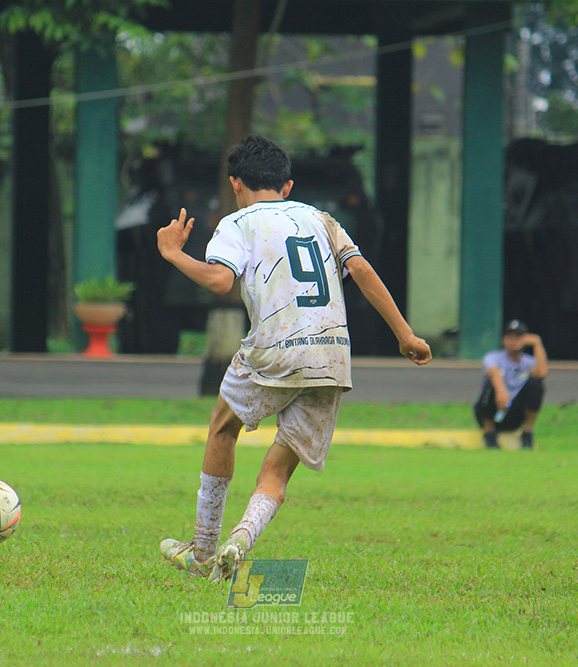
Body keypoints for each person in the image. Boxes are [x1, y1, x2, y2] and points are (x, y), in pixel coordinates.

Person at [155, 134, 432, 582]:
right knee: (279, 469)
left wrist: (172, 252)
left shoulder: (237, 222)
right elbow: (359, 270)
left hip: (273, 348)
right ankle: (243, 537)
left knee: (222, 427)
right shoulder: (321, 218)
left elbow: (219, 281)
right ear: (287, 187)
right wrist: (405, 334)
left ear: (235, 183)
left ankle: (204, 549)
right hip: (332, 357)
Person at [473, 319, 548, 449]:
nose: (513, 341)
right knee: (490, 385)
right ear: (503, 339)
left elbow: (541, 373)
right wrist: (502, 392)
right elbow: (494, 372)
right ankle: (489, 432)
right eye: (509, 337)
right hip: (494, 408)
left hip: (514, 413)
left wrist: (537, 343)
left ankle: (527, 432)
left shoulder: (528, 362)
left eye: (517, 337)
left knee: (536, 384)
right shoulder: (493, 357)